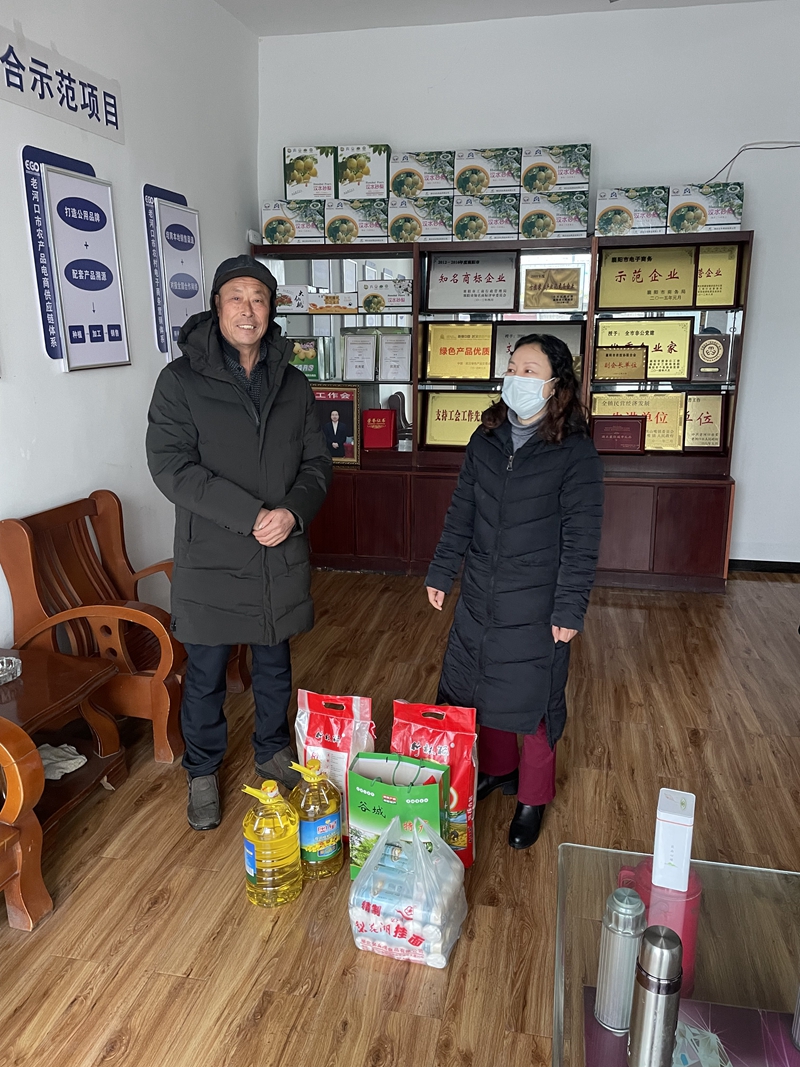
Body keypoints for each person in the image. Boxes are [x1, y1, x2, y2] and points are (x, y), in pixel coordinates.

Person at [146, 255, 332, 831]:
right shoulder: (180, 381)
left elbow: (318, 464)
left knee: (274, 662)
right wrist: (250, 515)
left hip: (278, 549)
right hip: (213, 554)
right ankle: (202, 769)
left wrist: (292, 513)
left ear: (271, 309)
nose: (248, 309)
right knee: (205, 671)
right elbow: (171, 466)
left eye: (259, 298)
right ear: (217, 306)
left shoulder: (293, 383)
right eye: (236, 297)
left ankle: (273, 749)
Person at [425, 334, 603, 849]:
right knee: (480, 687)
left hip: (538, 599)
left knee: (533, 701)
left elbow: (582, 539)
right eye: (512, 367)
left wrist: (570, 607)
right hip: (482, 589)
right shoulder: (486, 439)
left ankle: (533, 797)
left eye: (530, 370)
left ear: (554, 385)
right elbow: (462, 510)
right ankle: (499, 770)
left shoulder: (575, 453)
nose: (516, 378)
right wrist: (441, 570)